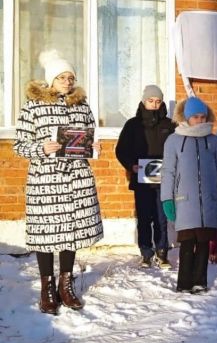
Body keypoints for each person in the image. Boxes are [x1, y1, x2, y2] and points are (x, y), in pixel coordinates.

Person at [14, 50, 103, 315]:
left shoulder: (82, 106)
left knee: (70, 235)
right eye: (62, 77)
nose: (67, 81)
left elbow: (88, 137)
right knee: (46, 235)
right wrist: (41, 148)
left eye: (70, 77)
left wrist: (93, 147)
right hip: (46, 181)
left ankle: (66, 284)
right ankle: (47, 288)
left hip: (76, 179)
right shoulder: (33, 106)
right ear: (51, 80)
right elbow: (19, 145)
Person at [161, 96, 217, 293]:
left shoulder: (213, 140)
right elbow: (168, 172)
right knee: (186, 243)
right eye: (195, 117)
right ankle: (183, 282)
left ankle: (200, 281)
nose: (200, 121)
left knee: (203, 244)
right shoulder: (174, 140)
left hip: (208, 202)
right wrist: (167, 198)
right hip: (184, 202)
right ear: (186, 118)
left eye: (203, 117)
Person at [115, 85, 175, 270]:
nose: (154, 104)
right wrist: (131, 165)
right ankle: (146, 253)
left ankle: (162, 252)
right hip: (141, 179)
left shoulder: (169, 125)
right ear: (144, 101)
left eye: (158, 101)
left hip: (163, 180)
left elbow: (177, 150)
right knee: (144, 217)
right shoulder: (132, 124)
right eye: (151, 101)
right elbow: (121, 150)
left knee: (161, 217)